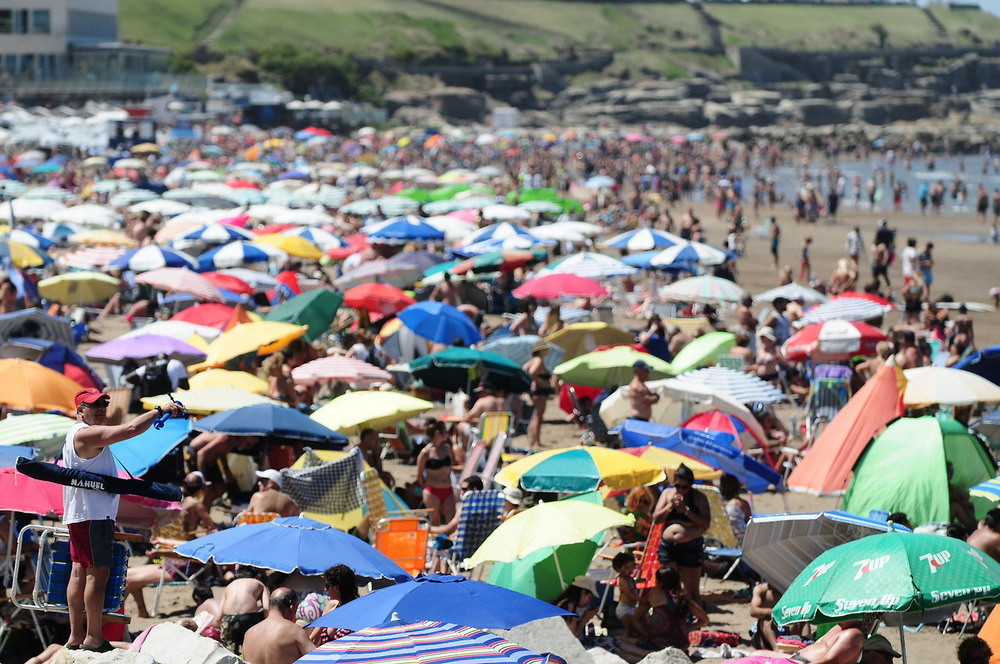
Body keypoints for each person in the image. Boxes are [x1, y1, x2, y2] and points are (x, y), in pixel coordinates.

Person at [63, 388, 184, 652]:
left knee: (79, 573)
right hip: (93, 516)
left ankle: (75, 636)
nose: (100, 409)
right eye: (93, 405)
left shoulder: (77, 434)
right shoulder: (86, 433)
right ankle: (93, 637)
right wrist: (160, 410)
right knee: (97, 575)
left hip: (81, 514)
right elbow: (129, 429)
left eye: (103, 405)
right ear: (79, 410)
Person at [652, 463, 711, 606]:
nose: (680, 490)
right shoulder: (667, 494)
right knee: (669, 586)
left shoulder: (699, 498)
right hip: (668, 546)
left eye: (684, 487)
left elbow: (705, 524)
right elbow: (655, 519)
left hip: (690, 546)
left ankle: (696, 619)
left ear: (690, 485)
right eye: (677, 486)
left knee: (692, 590)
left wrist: (687, 511)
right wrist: (670, 507)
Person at [731, 618, 871, 664]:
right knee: (756, 654)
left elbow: (830, 661)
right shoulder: (840, 627)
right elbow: (816, 644)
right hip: (797, 659)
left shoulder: (853, 634)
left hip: (803, 663)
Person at [636, 567, 708, 656]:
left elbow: (636, 618)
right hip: (682, 649)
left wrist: (646, 635)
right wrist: (685, 629)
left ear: (660, 582)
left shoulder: (654, 593)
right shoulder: (683, 597)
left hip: (659, 647)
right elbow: (705, 619)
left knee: (624, 641)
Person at [241, 588, 314, 664]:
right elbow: (318, 659)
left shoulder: (248, 634)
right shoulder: (294, 631)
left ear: (270, 606)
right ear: (291, 608)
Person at [415, 420, 462, 527]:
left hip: (448, 489)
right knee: (435, 522)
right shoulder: (425, 453)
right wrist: (427, 487)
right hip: (432, 491)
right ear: (437, 433)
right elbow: (419, 475)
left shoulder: (447, 448)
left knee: (452, 522)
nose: (447, 434)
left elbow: (450, 467)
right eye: (445, 431)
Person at [219, 567, 269, 655]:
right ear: (254, 577)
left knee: (231, 653)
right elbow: (267, 608)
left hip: (228, 619)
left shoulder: (229, 586)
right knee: (253, 650)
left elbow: (219, 616)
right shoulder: (258, 583)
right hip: (249, 617)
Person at [306, 565, 360, 645]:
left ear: (337, 588)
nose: (325, 589)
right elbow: (314, 637)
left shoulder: (357, 611)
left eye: (327, 586)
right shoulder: (331, 606)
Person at [523, 342, 554, 449]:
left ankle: (534, 441)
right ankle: (536, 442)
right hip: (539, 391)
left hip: (538, 391)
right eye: (545, 349)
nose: (547, 351)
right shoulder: (538, 360)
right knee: (537, 417)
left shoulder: (533, 360)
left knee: (535, 416)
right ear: (540, 350)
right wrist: (536, 381)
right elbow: (531, 372)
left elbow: (525, 369)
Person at [611, 552, 647, 640]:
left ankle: (630, 641)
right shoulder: (622, 580)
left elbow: (633, 584)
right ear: (618, 569)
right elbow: (629, 594)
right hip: (624, 609)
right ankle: (622, 642)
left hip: (630, 608)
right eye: (627, 567)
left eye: (632, 567)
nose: (631, 570)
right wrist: (640, 599)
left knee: (633, 627)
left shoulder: (629, 579)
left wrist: (639, 581)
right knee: (628, 629)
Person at [125, 353, 189, 399]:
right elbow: (186, 387)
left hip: (150, 404)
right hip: (168, 401)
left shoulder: (148, 367)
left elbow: (128, 378)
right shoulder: (175, 363)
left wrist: (142, 382)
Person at [719, 473, 752, 543]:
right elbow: (750, 523)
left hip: (720, 539)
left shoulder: (717, 502)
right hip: (737, 540)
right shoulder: (741, 504)